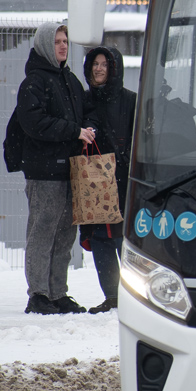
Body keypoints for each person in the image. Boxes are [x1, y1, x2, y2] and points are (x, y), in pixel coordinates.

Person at [14, 22, 94, 315]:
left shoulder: (70, 81)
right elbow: (34, 123)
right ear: (46, 45)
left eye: (66, 41)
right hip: (44, 171)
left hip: (70, 171)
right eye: (58, 41)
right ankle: (38, 294)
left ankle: (57, 293)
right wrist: (74, 131)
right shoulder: (34, 83)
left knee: (65, 234)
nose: (63, 45)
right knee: (42, 231)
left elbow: (83, 117)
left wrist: (88, 130)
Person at [80, 46, 136, 314]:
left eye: (104, 64)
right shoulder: (84, 100)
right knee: (101, 237)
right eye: (95, 63)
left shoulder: (130, 101)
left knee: (126, 240)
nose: (98, 68)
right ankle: (112, 297)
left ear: (114, 68)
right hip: (94, 183)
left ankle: (136, 297)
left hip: (124, 182)